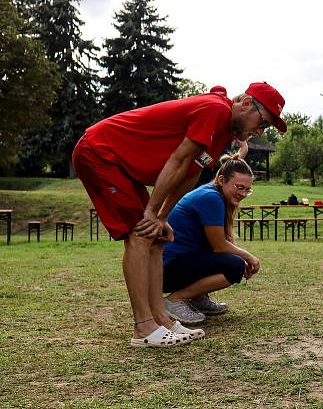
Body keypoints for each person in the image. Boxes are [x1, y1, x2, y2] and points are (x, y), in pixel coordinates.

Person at [72, 82, 287, 348]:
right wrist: (151, 213)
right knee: (141, 235)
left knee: (156, 237)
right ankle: (144, 328)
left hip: (121, 165)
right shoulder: (215, 110)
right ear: (245, 104)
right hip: (100, 152)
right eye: (263, 121)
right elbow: (178, 160)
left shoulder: (223, 132)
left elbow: (191, 173)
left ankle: (161, 319)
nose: (260, 130)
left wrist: (162, 217)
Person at [162, 155, 261, 326]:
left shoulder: (215, 194)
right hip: (165, 270)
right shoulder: (211, 197)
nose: (243, 194)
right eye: (239, 187)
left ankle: (197, 298)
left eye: (247, 189)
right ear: (222, 180)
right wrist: (248, 257)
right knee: (235, 266)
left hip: (175, 264)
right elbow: (219, 246)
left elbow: (218, 244)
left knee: (232, 261)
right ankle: (174, 300)